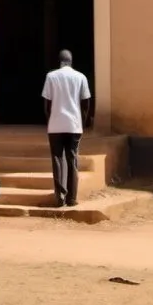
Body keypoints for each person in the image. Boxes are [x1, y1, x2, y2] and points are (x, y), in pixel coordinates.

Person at [41, 50, 92, 208]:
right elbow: (86, 102)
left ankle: (60, 197)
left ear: (60, 61)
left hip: (56, 125)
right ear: (71, 61)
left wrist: (50, 119)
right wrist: (82, 121)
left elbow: (47, 103)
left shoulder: (51, 76)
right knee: (72, 159)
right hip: (74, 125)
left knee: (57, 159)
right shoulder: (80, 77)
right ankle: (72, 198)